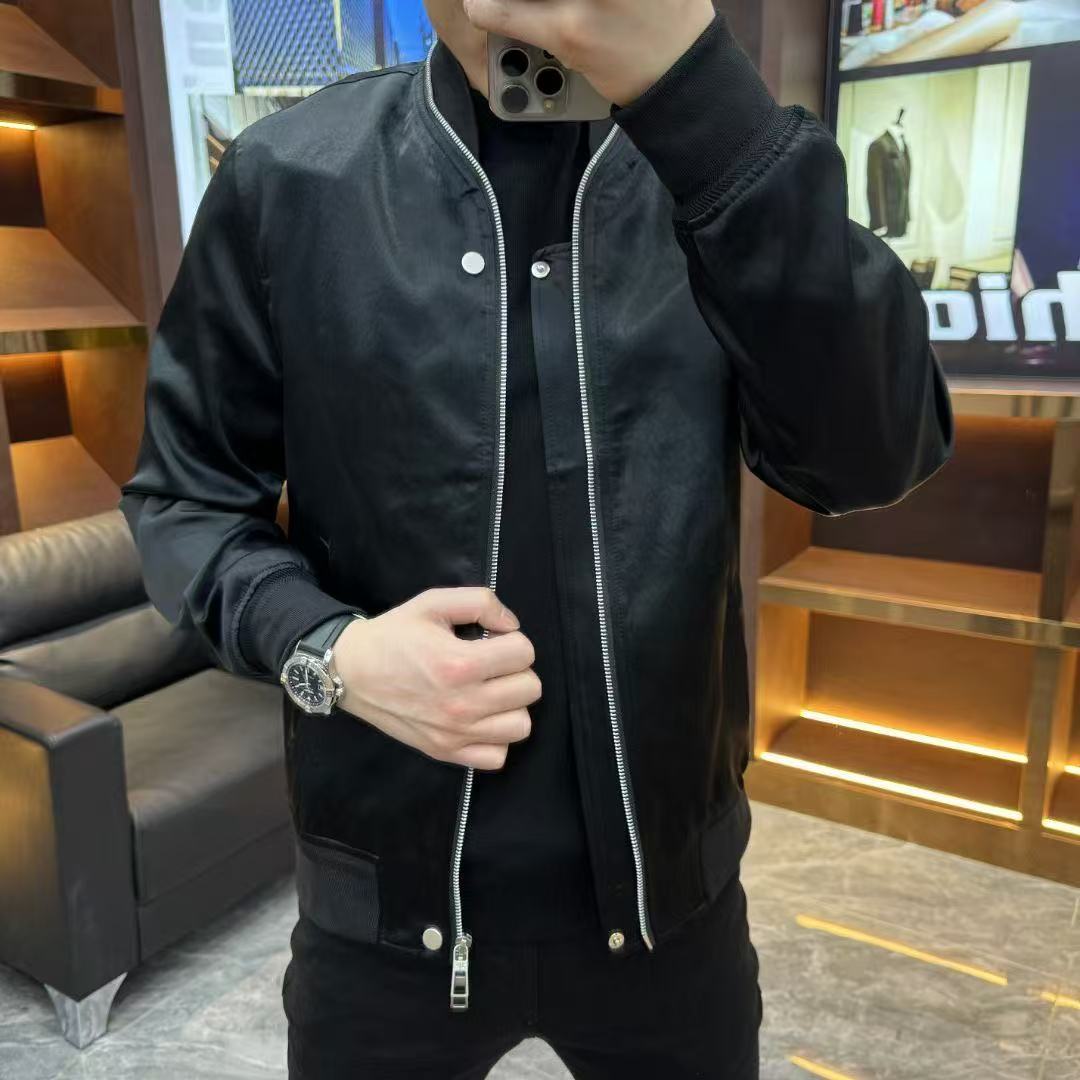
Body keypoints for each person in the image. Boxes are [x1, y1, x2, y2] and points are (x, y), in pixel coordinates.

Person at [118, 1, 955, 1076]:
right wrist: (332, 651)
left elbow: (870, 456)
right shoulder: (290, 177)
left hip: (672, 917)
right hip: (383, 925)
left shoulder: (724, 170)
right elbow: (184, 502)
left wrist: (704, 98)